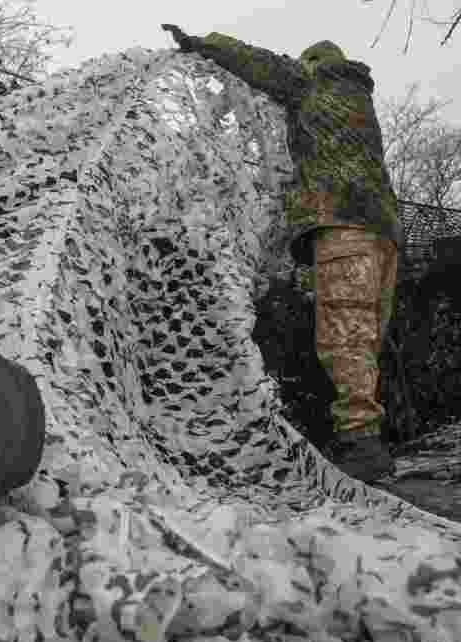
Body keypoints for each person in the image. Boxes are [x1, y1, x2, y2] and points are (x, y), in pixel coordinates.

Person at [160, 25, 400, 484]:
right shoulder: (360, 100)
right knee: (366, 338)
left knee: (344, 338)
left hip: (343, 226)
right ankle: (368, 440)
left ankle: (361, 444)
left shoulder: (315, 81)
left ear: (312, 64)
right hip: (384, 233)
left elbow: (258, 62)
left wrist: (201, 42)